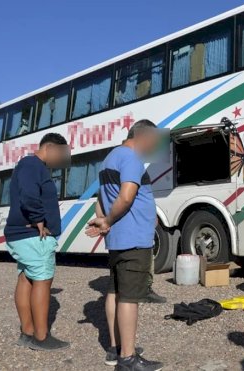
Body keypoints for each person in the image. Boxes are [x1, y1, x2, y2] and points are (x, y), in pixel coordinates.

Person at [86, 119, 165, 371]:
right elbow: (127, 195)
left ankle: (116, 347)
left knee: (116, 292)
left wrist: (104, 223)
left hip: (118, 239)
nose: (153, 146)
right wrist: (107, 219)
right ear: (143, 136)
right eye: (153, 140)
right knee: (130, 298)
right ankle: (128, 359)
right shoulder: (131, 158)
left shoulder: (109, 158)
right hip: (133, 238)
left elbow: (101, 198)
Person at [4, 133, 71, 351]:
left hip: (23, 236)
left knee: (26, 279)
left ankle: (27, 333)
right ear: (50, 148)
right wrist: (39, 219)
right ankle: (42, 337)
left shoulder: (28, 165)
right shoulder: (33, 164)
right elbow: (29, 194)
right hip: (35, 236)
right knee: (42, 279)